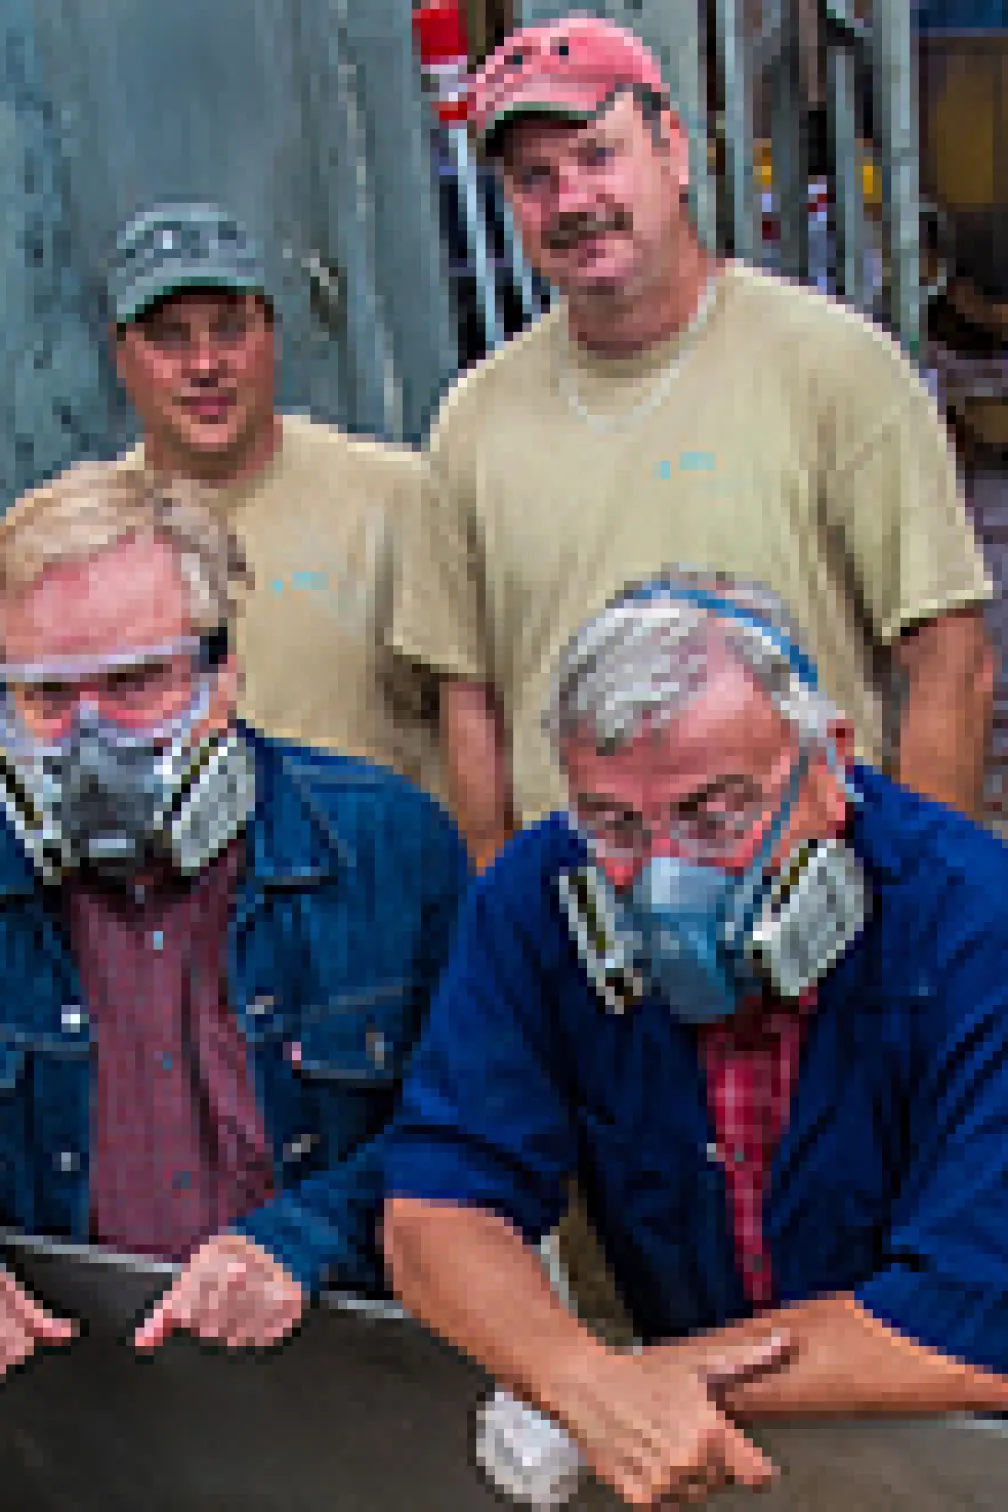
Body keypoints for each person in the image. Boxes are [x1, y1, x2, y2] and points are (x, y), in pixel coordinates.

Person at [384, 569, 1008, 1509]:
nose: (664, 881)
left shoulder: (976, 924)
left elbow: (968, 1326)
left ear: (828, 765)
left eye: (715, 816)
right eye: (616, 824)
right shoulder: (539, 896)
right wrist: (575, 1381)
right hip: (704, 1465)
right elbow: (438, 1210)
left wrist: (635, 1385)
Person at [388, 13, 994, 871]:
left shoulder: (834, 368)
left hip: (801, 917)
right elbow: (470, 705)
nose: (572, 201)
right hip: (587, 933)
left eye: (599, 156)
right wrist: (508, 912)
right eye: (534, 179)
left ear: (673, 149)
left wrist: (918, 905)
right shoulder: (473, 422)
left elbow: (949, 663)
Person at [0, 463, 466, 1376]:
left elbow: (479, 1132)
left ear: (224, 679)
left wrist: (306, 1237)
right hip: (64, 1414)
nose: (92, 742)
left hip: (348, 1392)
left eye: (136, 685)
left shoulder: (389, 848)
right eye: (49, 699)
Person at [98, 199, 439, 789]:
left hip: (377, 871)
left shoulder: (398, 499)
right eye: (170, 339)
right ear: (122, 357)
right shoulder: (88, 544)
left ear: (272, 335)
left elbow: (475, 718)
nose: (205, 365)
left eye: (230, 329)